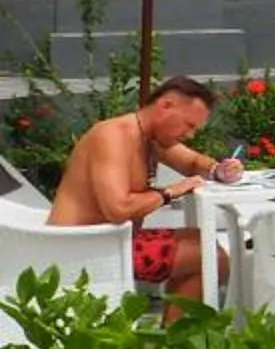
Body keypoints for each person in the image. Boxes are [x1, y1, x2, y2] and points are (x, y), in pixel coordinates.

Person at [50, 77, 242, 303]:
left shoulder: (150, 137)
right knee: (212, 259)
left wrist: (219, 170)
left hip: (113, 240)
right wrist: (169, 192)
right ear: (166, 106)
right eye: (189, 125)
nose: (190, 135)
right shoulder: (113, 135)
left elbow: (192, 163)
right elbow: (118, 210)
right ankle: (178, 336)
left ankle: (176, 335)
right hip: (83, 247)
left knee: (202, 242)